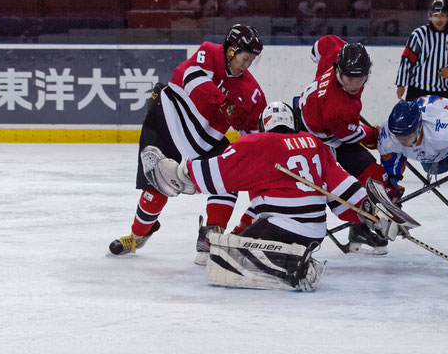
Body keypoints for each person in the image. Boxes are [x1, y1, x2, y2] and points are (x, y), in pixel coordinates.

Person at [137, 102, 408, 291]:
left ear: (264, 124)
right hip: (314, 232)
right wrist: (369, 213)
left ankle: (292, 268)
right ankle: (293, 257)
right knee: (239, 239)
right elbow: (342, 190)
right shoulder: (315, 144)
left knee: (222, 258)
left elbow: (219, 173)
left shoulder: (258, 144)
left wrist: (182, 172)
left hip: (282, 229)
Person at [108, 24, 267, 262]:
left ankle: (212, 235)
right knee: (156, 186)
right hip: (167, 118)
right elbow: (192, 80)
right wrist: (223, 102)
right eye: (245, 58)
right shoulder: (209, 52)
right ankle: (137, 236)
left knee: (229, 177)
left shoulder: (253, 93)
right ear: (232, 50)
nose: (247, 65)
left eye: (251, 60)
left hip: (204, 139)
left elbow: (255, 135)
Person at [297, 35, 401, 254]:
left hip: (329, 127)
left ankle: (359, 230)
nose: (354, 85)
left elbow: (321, 45)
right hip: (315, 141)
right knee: (328, 188)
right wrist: (375, 135)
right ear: (338, 70)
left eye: (360, 79)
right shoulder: (339, 109)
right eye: (348, 79)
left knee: (374, 174)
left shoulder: (337, 52)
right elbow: (349, 137)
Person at [378, 96, 448, 192]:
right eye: (398, 137)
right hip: (432, 148)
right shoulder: (388, 133)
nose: (403, 142)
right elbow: (390, 165)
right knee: (430, 167)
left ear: (419, 127)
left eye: (407, 136)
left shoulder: (445, 128)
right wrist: (391, 187)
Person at [395, 0, 448, 102]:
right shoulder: (419, 35)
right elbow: (407, 59)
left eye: (442, 15)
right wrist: (401, 84)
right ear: (430, 16)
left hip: (443, 90)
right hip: (417, 89)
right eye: (436, 15)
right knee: (413, 118)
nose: (439, 19)